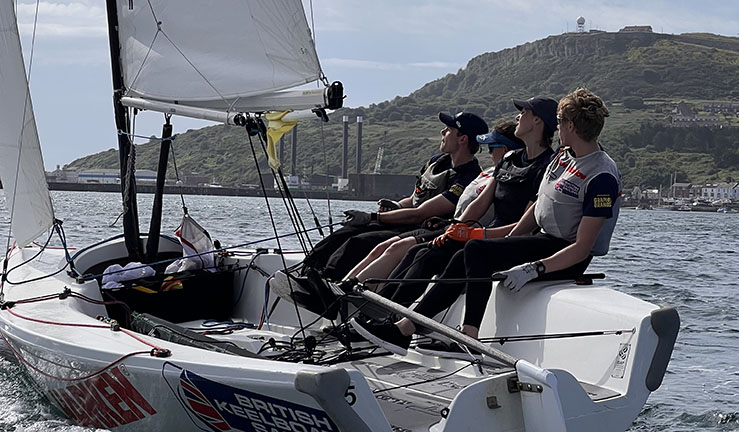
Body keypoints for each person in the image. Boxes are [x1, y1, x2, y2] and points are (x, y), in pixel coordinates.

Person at [351, 88, 622, 358]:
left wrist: (533, 269)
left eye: (561, 122)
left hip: (564, 252)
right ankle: (405, 328)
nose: (558, 127)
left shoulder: (601, 177)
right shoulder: (565, 154)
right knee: (465, 255)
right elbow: (540, 204)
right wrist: (509, 244)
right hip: (544, 241)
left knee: (476, 250)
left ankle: (464, 335)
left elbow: (582, 247)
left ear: (571, 126)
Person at [344, 96, 557, 311]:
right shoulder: (510, 159)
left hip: (500, 240)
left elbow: (527, 223)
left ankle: (393, 315)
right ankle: (380, 309)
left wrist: (477, 235)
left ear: (538, 121)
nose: (518, 116)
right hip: (480, 234)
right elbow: (481, 203)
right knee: (420, 252)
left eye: (524, 113)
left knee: (438, 256)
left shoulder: (547, 166)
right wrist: (456, 228)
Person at [270, 112, 487, 317]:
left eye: (448, 129)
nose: (442, 133)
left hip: (418, 226)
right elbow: (413, 200)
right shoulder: (435, 162)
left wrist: (374, 218)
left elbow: (420, 213)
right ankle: (309, 274)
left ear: (463, 139)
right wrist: (393, 206)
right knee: (348, 230)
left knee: (362, 241)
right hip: (403, 219)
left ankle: (329, 293)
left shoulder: (467, 178)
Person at [342, 119, 528, 289]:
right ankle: (344, 286)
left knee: (403, 249)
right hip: (452, 226)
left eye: (490, 148)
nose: (487, 152)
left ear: (504, 151)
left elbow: (422, 212)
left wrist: (373, 217)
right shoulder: (489, 173)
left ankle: (369, 295)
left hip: (467, 233)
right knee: (381, 246)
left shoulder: (490, 176)